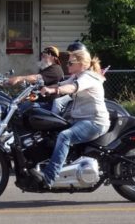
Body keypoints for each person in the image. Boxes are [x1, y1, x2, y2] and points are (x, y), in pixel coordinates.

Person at [33, 49, 110, 188]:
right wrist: (39, 89)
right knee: (52, 129)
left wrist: (53, 91)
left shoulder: (88, 77)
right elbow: (61, 84)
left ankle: (49, 177)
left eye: (70, 63)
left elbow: (71, 88)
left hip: (95, 121)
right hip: (80, 119)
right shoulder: (77, 76)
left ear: (81, 64)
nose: (66, 65)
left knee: (64, 136)